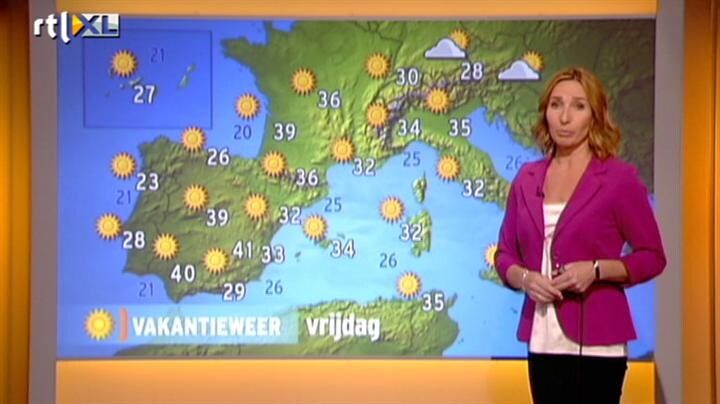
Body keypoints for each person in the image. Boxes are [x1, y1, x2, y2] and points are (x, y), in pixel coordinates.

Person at [494, 66, 666, 404]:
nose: (565, 117)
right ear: (545, 112)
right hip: (543, 338)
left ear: (595, 115)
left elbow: (652, 257)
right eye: (556, 105)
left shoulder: (618, 179)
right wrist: (526, 279)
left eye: (578, 106)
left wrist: (596, 270)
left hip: (598, 341)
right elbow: (504, 256)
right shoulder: (527, 179)